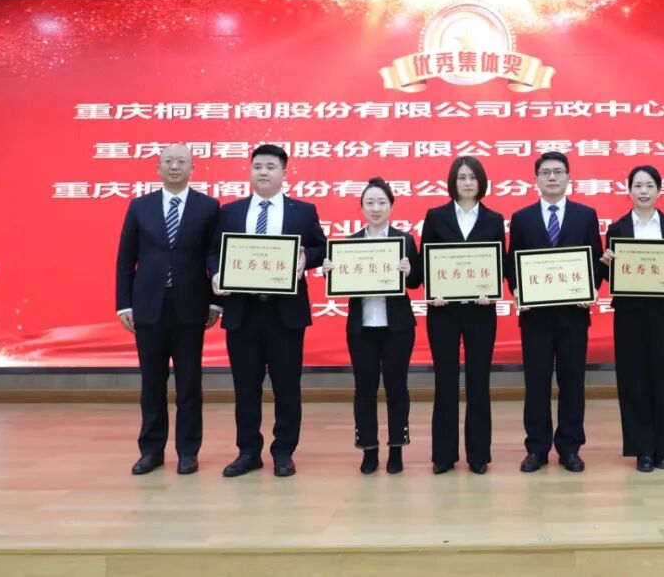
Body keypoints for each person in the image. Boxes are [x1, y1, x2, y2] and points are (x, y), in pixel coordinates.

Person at [209, 144, 327, 478]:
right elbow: (213, 252)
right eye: (257, 166)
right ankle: (248, 452)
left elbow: (320, 247)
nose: (263, 172)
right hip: (242, 312)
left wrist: (306, 259)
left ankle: (283, 452)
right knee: (245, 387)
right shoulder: (230, 212)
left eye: (271, 167)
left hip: (285, 314)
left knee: (287, 387)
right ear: (250, 171)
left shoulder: (302, 211)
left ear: (284, 173)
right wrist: (216, 273)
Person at [116, 143, 220, 476]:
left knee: (189, 384)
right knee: (152, 382)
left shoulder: (208, 207)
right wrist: (124, 304)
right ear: (158, 168)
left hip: (191, 307)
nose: (175, 166)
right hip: (148, 307)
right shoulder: (140, 206)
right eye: (169, 161)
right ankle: (151, 450)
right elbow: (125, 260)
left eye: (182, 161)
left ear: (193, 168)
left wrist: (216, 301)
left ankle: (188, 451)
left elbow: (215, 256)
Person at [506, 151, 604, 473]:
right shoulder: (522, 218)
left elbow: (596, 260)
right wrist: (517, 290)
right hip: (535, 318)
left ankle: (570, 448)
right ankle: (536, 449)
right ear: (535, 179)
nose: (552, 177)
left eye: (558, 171)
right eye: (545, 172)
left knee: (572, 383)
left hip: (573, 316)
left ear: (568, 177)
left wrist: (591, 288)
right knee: (536, 384)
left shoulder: (585, 215)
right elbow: (511, 263)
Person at [599, 165, 664, 472]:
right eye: (638, 185)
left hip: (663, 314)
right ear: (628, 190)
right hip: (629, 315)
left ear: (659, 190)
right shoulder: (617, 229)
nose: (643, 191)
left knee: (662, 379)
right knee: (632, 381)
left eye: (649, 185)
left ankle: (661, 448)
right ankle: (642, 450)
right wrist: (606, 263)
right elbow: (610, 277)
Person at [324, 178, 421, 475]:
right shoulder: (350, 243)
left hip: (398, 328)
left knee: (396, 387)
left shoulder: (404, 240)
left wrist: (409, 271)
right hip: (361, 328)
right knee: (364, 389)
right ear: (362, 207)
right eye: (370, 203)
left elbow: (416, 281)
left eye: (381, 202)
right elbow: (341, 284)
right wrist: (331, 272)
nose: (376, 208)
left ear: (391, 206)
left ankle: (396, 449)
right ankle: (368, 449)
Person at [420, 157, 506, 475]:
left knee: (478, 381)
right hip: (443, 311)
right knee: (445, 380)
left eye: (472, 177)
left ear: (481, 182)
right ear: (452, 182)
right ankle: (443, 455)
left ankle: (478, 455)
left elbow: (499, 263)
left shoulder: (494, 219)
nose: (468, 183)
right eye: (462, 177)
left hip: (480, 311)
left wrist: (491, 290)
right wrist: (433, 290)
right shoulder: (436, 216)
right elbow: (425, 261)